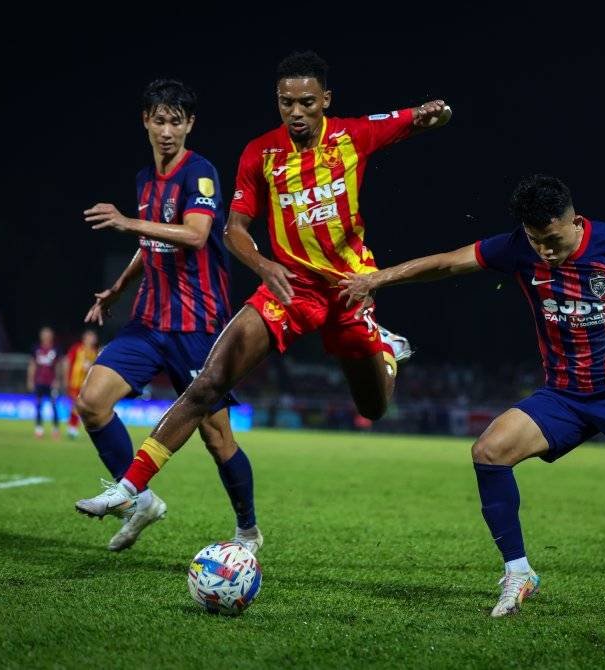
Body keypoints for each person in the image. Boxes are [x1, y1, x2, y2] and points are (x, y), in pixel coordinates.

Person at [337, 175, 605, 628]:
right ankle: (518, 572)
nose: (544, 250)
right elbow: (447, 264)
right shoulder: (516, 248)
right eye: (534, 241)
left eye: (552, 239)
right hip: (563, 396)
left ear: (576, 222)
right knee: (488, 451)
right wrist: (377, 279)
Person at [74, 51, 451, 530]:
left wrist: (431, 115)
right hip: (289, 288)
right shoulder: (261, 152)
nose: (296, 112)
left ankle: (387, 351)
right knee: (208, 384)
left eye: (307, 103)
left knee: (372, 408)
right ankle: (132, 488)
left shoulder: (351, 136)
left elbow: (408, 120)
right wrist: (263, 262)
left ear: (325, 101)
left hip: (350, 288)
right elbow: (233, 230)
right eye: (286, 103)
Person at [74, 79, 256, 554]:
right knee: (91, 402)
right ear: (146, 122)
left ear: (190, 124)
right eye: (159, 119)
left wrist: (125, 221)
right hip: (149, 322)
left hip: (197, 328)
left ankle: (247, 531)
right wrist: (118, 288)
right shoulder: (143, 179)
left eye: (177, 120)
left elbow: (195, 235)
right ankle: (141, 501)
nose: (167, 130)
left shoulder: (201, 173)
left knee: (218, 440)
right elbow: (150, 242)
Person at [61, 329, 99, 438]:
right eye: (91, 337)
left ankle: (73, 427)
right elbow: (67, 363)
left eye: (94, 337)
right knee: (76, 406)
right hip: (74, 383)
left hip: (86, 385)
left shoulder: (94, 352)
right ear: (85, 338)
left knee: (81, 407)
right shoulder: (77, 348)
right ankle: (72, 427)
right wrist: (65, 379)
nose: (93, 339)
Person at [27, 326, 60, 438]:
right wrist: (30, 380)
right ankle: (39, 429)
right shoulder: (36, 349)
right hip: (39, 382)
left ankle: (55, 429)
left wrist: (58, 380)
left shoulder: (55, 349)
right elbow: (32, 365)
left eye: (48, 334)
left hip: (51, 383)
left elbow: (58, 366)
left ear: (52, 336)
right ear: (41, 336)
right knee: (39, 405)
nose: (46, 336)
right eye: (44, 334)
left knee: (54, 405)